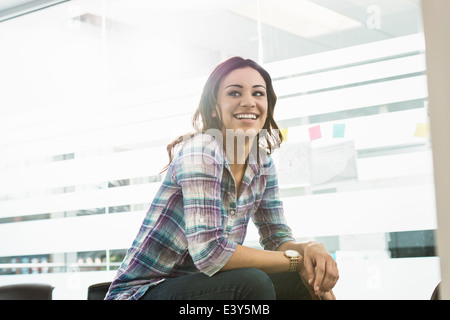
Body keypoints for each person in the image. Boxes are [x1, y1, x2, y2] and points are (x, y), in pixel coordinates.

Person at [104, 56, 339, 300]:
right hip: (142, 293)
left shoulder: (262, 163)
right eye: (235, 93)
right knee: (252, 282)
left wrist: (310, 252)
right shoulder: (202, 152)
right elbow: (210, 253)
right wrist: (297, 261)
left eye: (258, 94)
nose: (248, 102)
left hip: (204, 288)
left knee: (302, 280)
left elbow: (277, 238)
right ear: (214, 107)